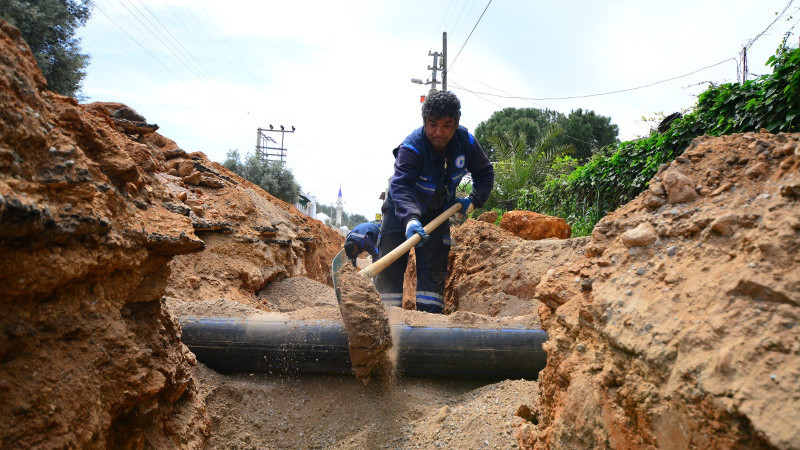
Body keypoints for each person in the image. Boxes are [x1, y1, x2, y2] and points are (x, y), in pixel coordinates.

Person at [374, 90, 494, 313]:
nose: (439, 132)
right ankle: (386, 323)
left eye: (447, 125)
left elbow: (485, 173)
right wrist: (410, 220)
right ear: (424, 122)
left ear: (456, 123)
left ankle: (428, 329)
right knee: (389, 272)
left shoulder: (466, 143)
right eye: (433, 124)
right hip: (400, 212)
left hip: (437, 213)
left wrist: (474, 200)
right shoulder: (411, 148)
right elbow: (401, 187)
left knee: (433, 274)